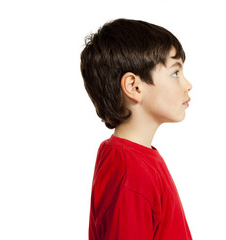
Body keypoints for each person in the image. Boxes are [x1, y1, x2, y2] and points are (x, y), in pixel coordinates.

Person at [80, 18, 193, 240]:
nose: (187, 84)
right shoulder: (130, 176)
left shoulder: (136, 159)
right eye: (175, 73)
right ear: (134, 86)